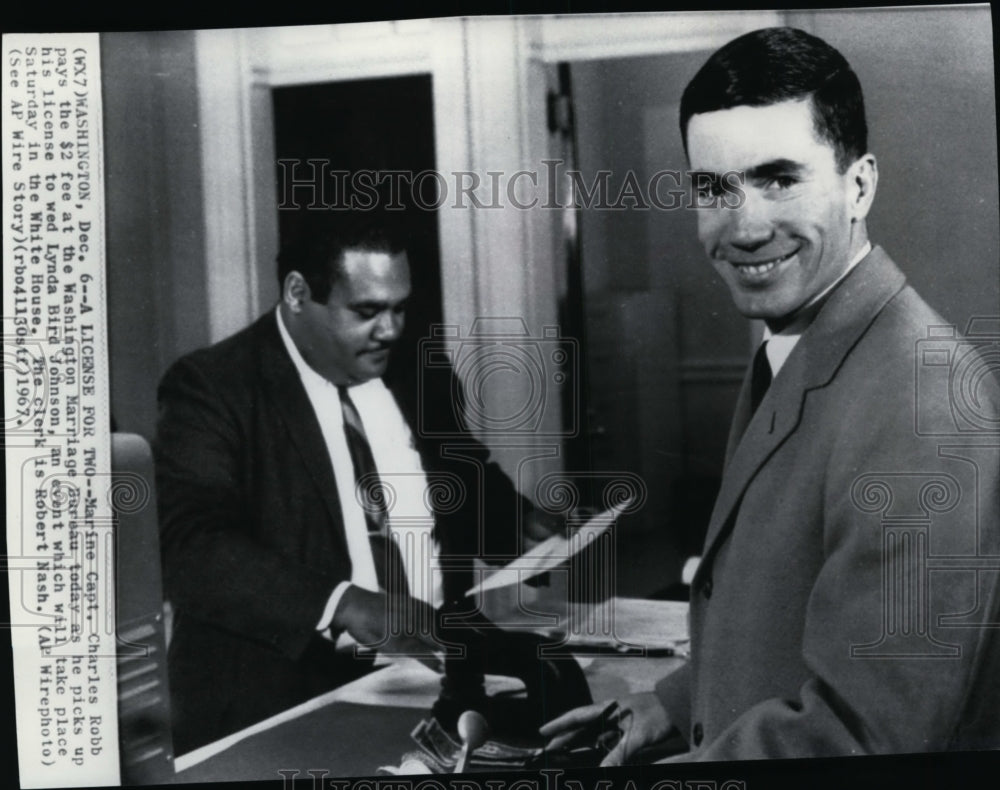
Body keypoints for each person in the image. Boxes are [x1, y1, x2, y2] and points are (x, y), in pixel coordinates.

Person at [541, 26, 1000, 762]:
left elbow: (867, 736)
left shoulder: (924, 400)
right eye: (714, 189)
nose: (746, 227)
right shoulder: (806, 344)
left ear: (860, 185)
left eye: (779, 179)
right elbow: (788, 616)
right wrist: (673, 703)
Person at [154, 214, 558, 753]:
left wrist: (521, 528)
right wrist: (343, 603)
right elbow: (193, 548)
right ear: (298, 293)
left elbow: (466, 479)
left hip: (437, 685)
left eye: (399, 307)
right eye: (367, 311)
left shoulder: (417, 367)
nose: (390, 329)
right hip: (280, 703)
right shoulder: (213, 387)